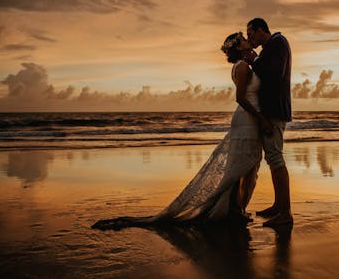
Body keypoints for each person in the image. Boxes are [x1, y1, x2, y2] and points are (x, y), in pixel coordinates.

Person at [92, 32, 268, 230]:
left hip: (247, 120)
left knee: (245, 166)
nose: (247, 40)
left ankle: (237, 209)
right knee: (241, 168)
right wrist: (261, 117)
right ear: (238, 47)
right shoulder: (243, 66)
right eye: (244, 39)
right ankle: (235, 210)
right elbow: (241, 98)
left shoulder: (243, 65)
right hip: (246, 120)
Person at [245, 18, 293, 227]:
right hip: (271, 111)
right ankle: (278, 206)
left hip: (275, 111)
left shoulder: (279, 42)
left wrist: (254, 61)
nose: (250, 39)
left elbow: (274, 74)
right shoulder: (270, 47)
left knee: (275, 158)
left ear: (260, 29)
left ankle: (285, 213)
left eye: (251, 34)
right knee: (272, 158)